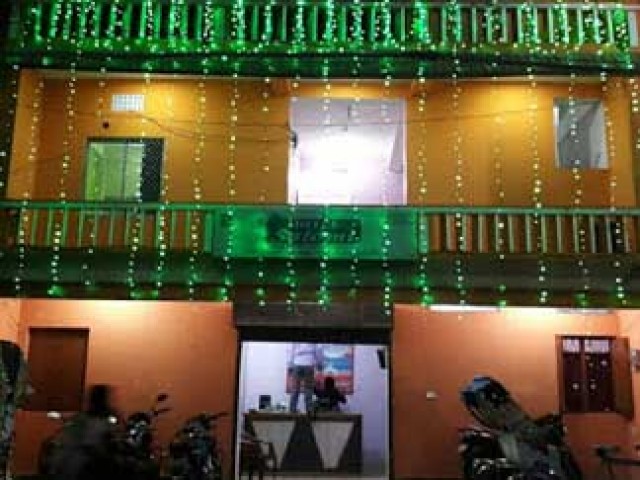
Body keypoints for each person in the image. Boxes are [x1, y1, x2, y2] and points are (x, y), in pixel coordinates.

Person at [50, 384, 120, 480]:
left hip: (99, 457)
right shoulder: (83, 418)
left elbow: (114, 434)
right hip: (86, 457)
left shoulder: (107, 417)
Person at [288, 343, 323, 413]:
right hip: (309, 363)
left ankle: (292, 410)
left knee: (295, 389)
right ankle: (309, 411)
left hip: (297, 362)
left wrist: (290, 365)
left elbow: (291, 350)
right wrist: (319, 363)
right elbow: (318, 349)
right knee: (308, 389)